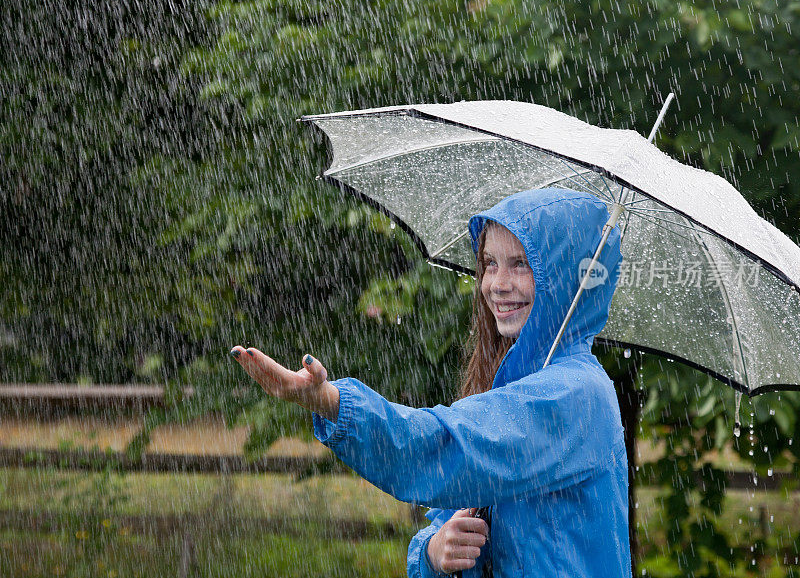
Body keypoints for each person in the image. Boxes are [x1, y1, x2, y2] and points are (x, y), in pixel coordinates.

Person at [230, 187, 631, 577]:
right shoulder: (515, 383)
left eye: (521, 264)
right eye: (490, 263)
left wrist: (334, 402)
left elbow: (443, 447)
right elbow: (450, 517)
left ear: (565, 279)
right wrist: (434, 551)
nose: (497, 284)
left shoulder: (576, 393)